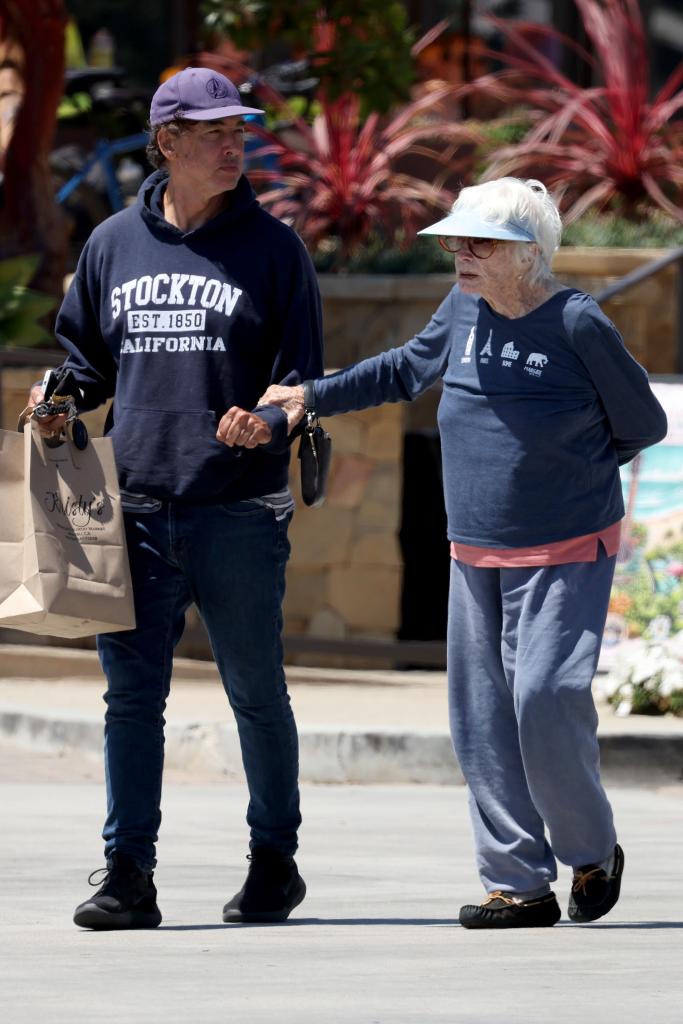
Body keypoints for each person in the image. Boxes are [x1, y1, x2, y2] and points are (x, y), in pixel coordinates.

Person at [222, 177, 668, 929]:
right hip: (472, 552)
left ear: (528, 253)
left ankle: (590, 851)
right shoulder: (461, 309)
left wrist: (566, 473)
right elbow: (400, 369)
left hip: (563, 547)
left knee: (544, 699)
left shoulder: (576, 322)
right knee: (480, 720)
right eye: (456, 240)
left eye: (479, 242)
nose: (459, 253)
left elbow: (641, 425)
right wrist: (308, 398)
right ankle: (517, 885)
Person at [28, 67, 323, 929]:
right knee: (130, 701)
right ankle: (128, 875)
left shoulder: (274, 250)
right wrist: (57, 406)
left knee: (256, 693)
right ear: (167, 143)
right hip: (135, 508)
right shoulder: (112, 242)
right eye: (212, 132)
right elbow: (83, 364)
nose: (234, 145)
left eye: (239, 131)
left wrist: (266, 420)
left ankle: (275, 860)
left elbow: (299, 380)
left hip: (238, 510)